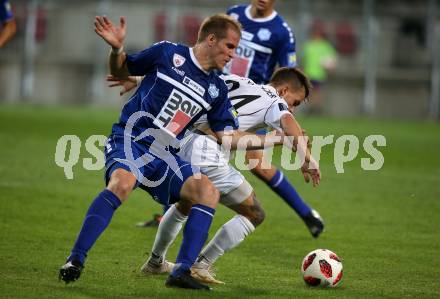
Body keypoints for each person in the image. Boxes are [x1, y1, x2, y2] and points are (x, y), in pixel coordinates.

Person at [59, 13, 287, 291]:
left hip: (166, 155)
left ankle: (181, 270)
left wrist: (275, 139)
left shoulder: (216, 89)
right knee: (122, 183)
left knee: (207, 192)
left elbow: (228, 137)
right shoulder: (168, 52)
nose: (232, 55)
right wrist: (117, 49)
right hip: (131, 140)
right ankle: (75, 260)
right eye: (229, 46)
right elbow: (122, 71)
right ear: (211, 39)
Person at [109, 67, 322, 284]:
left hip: (182, 140)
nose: (293, 110)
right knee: (254, 213)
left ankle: (156, 262)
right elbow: (288, 122)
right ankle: (200, 265)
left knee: (186, 202)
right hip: (206, 150)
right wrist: (307, 158)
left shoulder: (238, 80)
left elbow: (188, 79)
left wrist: (138, 78)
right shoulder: (274, 101)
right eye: (295, 103)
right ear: (284, 90)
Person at [139, 1, 322, 232]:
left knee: (255, 164)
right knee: (189, 148)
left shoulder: (281, 32)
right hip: (219, 94)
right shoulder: (235, 14)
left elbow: (290, 78)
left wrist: (282, 114)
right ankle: (174, 215)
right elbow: (209, 43)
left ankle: (306, 214)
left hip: (254, 105)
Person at [224, 0, 297, 84]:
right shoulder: (233, 13)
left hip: (252, 94)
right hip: (220, 86)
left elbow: (289, 74)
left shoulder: (283, 32)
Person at [302, 21, 337, 114]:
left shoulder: (325, 46)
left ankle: (317, 109)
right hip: (309, 73)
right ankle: (310, 109)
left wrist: (331, 66)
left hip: (320, 74)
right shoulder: (308, 45)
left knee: (319, 93)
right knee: (309, 93)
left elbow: (331, 59)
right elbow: (304, 59)